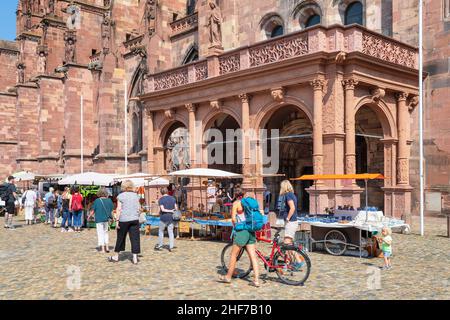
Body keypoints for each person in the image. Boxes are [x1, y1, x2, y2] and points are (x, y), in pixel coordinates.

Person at [218, 187, 260, 287]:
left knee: (233, 255)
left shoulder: (236, 203)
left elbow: (233, 219)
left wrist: (235, 226)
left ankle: (228, 277)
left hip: (242, 231)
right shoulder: (248, 202)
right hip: (251, 230)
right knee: (253, 256)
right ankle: (256, 280)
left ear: (235, 195)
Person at [109, 180, 141, 265]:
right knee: (135, 238)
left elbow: (118, 209)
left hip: (124, 219)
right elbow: (139, 208)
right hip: (134, 219)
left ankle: (116, 256)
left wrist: (117, 221)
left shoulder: (121, 196)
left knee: (120, 237)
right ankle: (135, 258)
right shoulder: (136, 196)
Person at [89, 188, 114, 253]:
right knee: (106, 233)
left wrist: (89, 216)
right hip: (106, 219)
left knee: (100, 233)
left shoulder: (97, 201)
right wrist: (113, 218)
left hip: (99, 219)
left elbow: (93, 210)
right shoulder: (109, 200)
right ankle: (107, 247)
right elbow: (111, 211)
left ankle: (103, 249)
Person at [155, 187, 178, 252]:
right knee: (170, 232)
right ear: (167, 191)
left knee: (161, 231)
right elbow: (176, 208)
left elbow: (162, 209)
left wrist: (169, 210)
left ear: (161, 192)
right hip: (171, 218)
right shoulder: (173, 198)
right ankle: (171, 246)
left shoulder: (161, 199)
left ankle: (160, 245)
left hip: (163, 218)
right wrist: (172, 210)